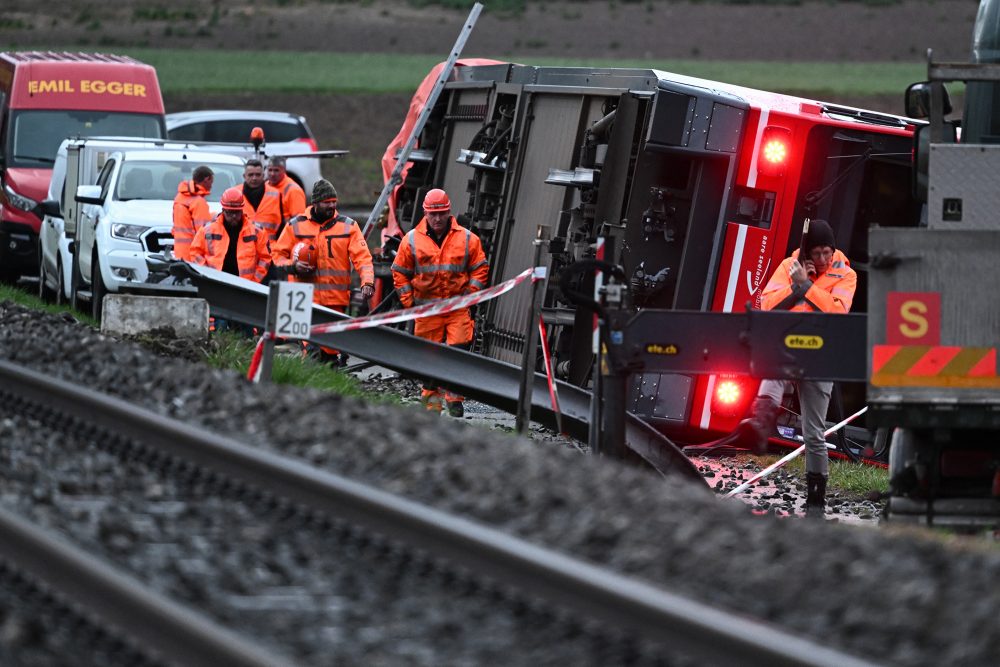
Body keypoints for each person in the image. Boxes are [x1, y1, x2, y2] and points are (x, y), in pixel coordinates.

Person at [731, 219, 857, 518]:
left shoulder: (847, 274)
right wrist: (795, 286)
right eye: (817, 254)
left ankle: (816, 502)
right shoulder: (789, 266)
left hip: (820, 357)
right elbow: (768, 304)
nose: (824, 259)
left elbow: (837, 312)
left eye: (828, 252)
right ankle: (761, 422)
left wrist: (807, 286)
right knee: (774, 364)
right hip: (790, 347)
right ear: (806, 253)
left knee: (813, 432)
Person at [391, 188, 489, 417]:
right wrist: (409, 303)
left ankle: (454, 399)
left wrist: (470, 295)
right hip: (427, 308)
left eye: (442, 213)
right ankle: (431, 402)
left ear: (449, 212)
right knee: (428, 356)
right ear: (425, 213)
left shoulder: (467, 239)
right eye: (433, 214)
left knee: (459, 348)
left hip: (456, 306)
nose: (437, 219)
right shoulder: (412, 240)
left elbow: (480, 267)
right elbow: (399, 272)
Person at [272, 178, 374, 366]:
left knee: (331, 354)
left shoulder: (348, 226)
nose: (332, 206)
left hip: (335, 301)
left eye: (334, 202)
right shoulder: (295, 225)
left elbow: (363, 258)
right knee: (311, 352)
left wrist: (367, 282)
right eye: (327, 202)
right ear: (316, 203)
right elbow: (277, 255)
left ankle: (328, 387)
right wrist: (293, 266)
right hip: (304, 300)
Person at [171, 165, 214, 261]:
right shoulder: (198, 202)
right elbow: (204, 232)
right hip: (193, 255)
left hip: (180, 253)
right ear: (207, 179)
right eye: (212, 182)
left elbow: (181, 224)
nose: (211, 186)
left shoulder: (179, 197)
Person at [240, 159, 284, 244]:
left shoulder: (276, 194)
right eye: (251, 175)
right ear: (244, 176)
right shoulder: (235, 193)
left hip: (269, 248)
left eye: (258, 175)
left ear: (263, 176)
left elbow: (282, 225)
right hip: (243, 247)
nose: (254, 178)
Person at [266, 155, 306, 235]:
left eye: (276, 170)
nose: (272, 174)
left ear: (284, 170)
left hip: (284, 237)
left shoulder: (294, 190)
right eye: (270, 170)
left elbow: (299, 222)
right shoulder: (264, 186)